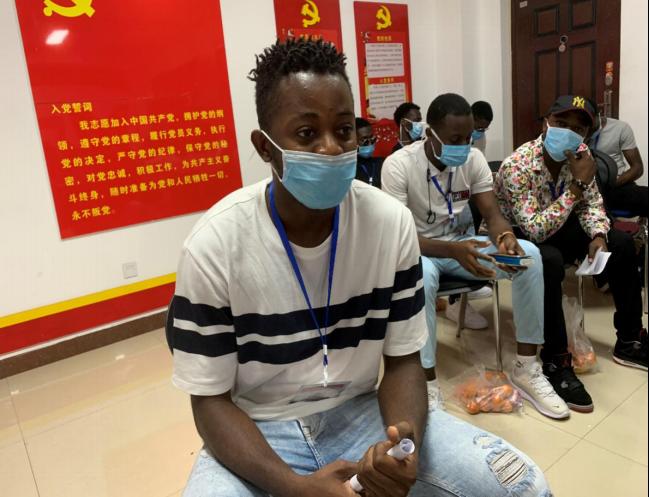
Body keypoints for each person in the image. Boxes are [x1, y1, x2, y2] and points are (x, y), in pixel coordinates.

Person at [167, 39, 552, 497]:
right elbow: (209, 402)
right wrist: (294, 487)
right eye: (306, 134)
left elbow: (403, 361)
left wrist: (403, 446)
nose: (332, 149)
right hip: (259, 428)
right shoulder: (213, 244)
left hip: (362, 412)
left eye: (344, 130)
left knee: (524, 485)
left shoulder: (389, 224)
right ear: (265, 148)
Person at [382, 93, 569, 420]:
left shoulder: (473, 159)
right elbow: (399, 238)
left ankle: (526, 366)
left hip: (462, 244)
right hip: (419, 250)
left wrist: (505, 237)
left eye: (468, 138)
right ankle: (425, 381)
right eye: (455, 139)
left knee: (530, 257)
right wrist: (452, 250)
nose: (464, 146)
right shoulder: (398, 165)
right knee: (422, 276)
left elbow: (493, 214)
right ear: (430, 134)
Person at [495, 95, 647, 407]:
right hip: (519, 235)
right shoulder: (518, 165)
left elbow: (592, 205)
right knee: (549, 260)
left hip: (559, 223)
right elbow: (535, 229)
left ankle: (630, 340)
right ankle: (555, 359)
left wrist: (598, 234)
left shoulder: (582, 156)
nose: (568, 132)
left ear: (586, 136)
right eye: (561, 123)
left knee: (619, 242)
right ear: (545, 124)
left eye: (578, 129)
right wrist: (577, 185)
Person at [588, 111, 647, 217]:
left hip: (615, 186)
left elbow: (637, 168)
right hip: (584, 188)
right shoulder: (574, 132)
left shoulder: (620, 128)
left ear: (598, 114)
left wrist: (612, 184)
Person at [355, 117, 383, 188]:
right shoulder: (349, 169)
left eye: (372, 138)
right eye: (364, 140)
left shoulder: (381, 162)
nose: (370, 143)